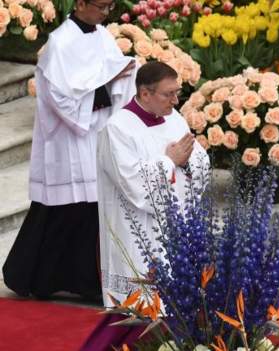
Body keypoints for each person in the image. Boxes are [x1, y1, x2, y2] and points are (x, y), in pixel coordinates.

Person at [2, 0, 136, 300]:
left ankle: (87, 282)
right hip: (69, 139)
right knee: (65, 211)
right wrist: (103, 88)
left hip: (96, 132)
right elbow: (60, 99)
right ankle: (33, 277)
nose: (105, 13)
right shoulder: (60, 44)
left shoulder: (102, 36)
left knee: (91, 210)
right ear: (80, 4)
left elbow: (115, 75)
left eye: (110, 6)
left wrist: (122, 76)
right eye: (101, 6)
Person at [79, 61, 211, 350]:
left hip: (174, 230)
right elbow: (133, 184)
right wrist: (170, 161)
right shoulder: (117, 129)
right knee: (136, 313)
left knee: (175, 304)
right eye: (169, 94)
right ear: (145, 93)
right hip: (137, 234)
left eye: (177, 93)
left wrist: (187, 162)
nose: (176, 101)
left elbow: (199, 159)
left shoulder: (174, 119)